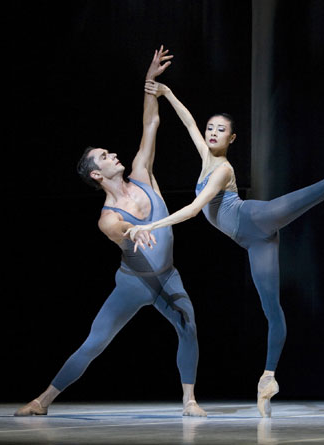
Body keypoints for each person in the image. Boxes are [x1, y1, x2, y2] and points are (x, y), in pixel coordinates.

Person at [128, 80, 324, 418]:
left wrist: (149, 225)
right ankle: (268, 378)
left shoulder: (222, 170)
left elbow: (195, 209)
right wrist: (167, 95)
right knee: (271, 309)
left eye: (220, 130)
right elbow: (189, 121)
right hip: (253, 240)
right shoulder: (204, 154)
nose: (212, 133)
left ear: (231, 139)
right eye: (211, 128)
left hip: (255, 217)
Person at [14, 47, 207, 418]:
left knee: (189, 326)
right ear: (96, 176)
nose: (112, 155)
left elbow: (151, 124)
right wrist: (133, 231)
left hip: (167, 278)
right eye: (104, 156)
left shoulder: (142, 173)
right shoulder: (107, 217)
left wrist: (150, 81)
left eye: (108, 152)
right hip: (133, 284)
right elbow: (119, 230)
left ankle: (189, 401)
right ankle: (42, 401)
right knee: (95, 342)